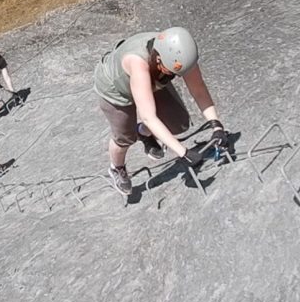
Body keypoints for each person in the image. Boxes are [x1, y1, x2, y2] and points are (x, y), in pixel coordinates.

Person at [93, 27, 229, 195]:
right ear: (158, 58)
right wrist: (183, 153)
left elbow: (198, 89)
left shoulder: (181, 55)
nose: (176, 76)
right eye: (172, 72)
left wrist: (216, 125)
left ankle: (144, 132)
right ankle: (117, 168)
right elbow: (149, 117)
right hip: (115, 89)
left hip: (151, 78)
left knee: (178, 124)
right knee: (125, 138)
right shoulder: (138, 63)